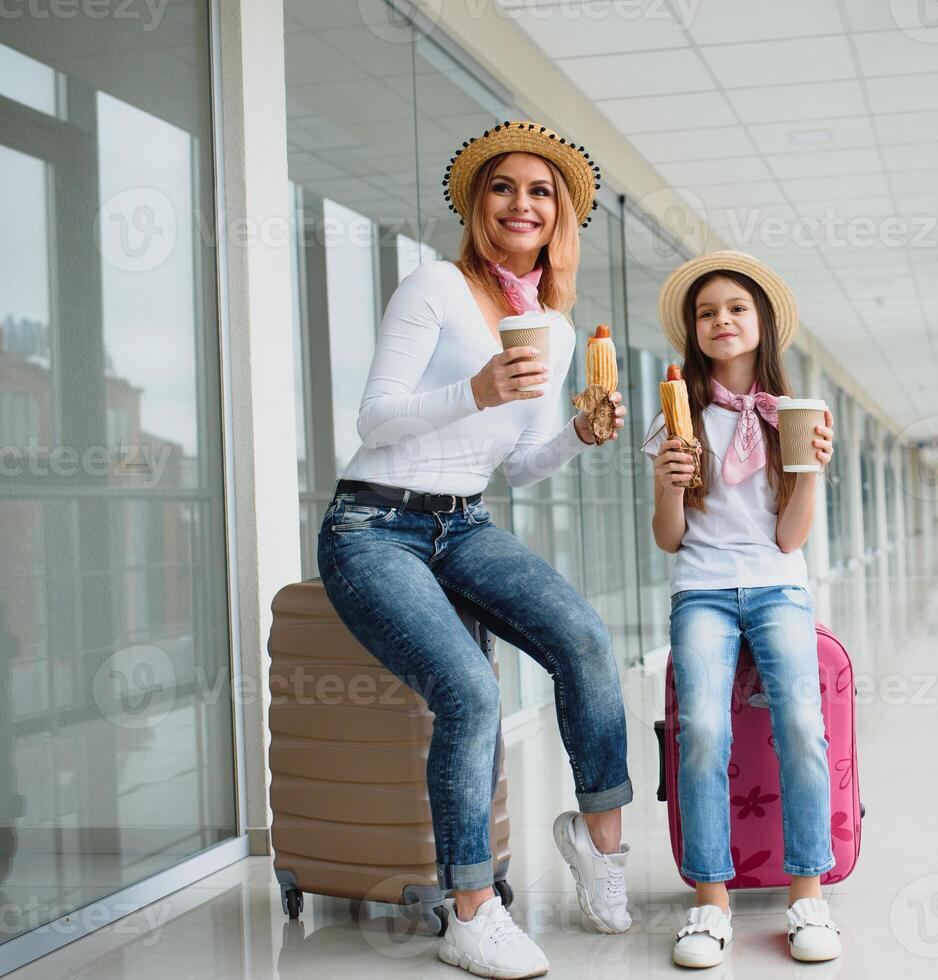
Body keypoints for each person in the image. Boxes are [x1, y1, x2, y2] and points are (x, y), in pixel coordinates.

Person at [317, 121, 631, 979]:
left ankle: (599, 840)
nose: (521, 203)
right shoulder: (434, 288)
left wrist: (576, 433)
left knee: (584, 640)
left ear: (559, 215)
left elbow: (518, 466)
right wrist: (475, 388)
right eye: (503, 188)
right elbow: (374, 421)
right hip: (372, 526)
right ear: (478, 205)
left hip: (465, 524)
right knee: (468, 688)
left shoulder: (555, 330)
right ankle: (471, 911)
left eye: (539, 192)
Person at [641, 251, 841, 967]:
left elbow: (791, 536)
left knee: (801, 723)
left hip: (779, 584)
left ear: (762, 326)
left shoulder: (795, 414)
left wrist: (809, 468)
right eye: (705, 313)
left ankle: (807, 891)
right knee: (698, 727)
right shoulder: (676, 416)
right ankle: (710, 901)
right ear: (692, 333)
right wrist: (670, 481)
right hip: (701, 589)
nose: (721, 321)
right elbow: (670, 539)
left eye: (735, 309)